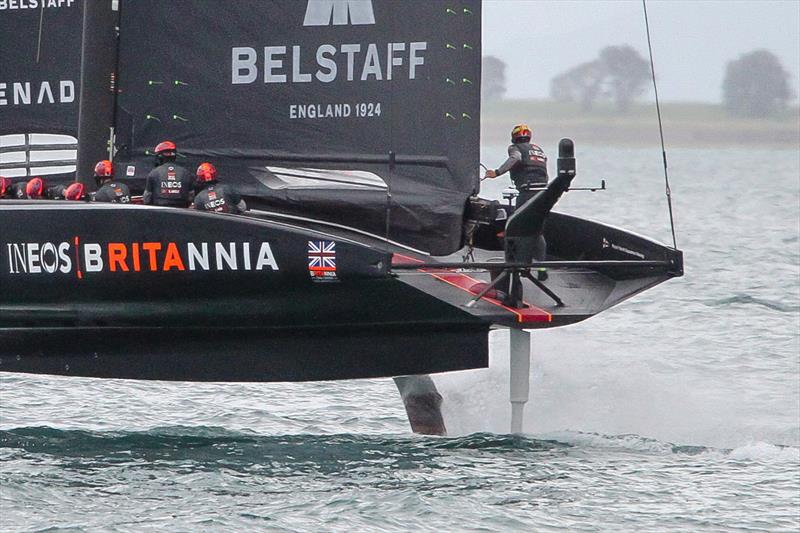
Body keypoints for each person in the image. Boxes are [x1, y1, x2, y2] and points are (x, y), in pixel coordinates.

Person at [483, 124, 548, 207]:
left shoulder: (515, 147)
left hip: (527, 189)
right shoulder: (538, 149)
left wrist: (497, 172)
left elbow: (516, 157)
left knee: (520, 210)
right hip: (543, 188)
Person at [143, 140, 194, 207]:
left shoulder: (153, 173)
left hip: (160, 212)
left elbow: (147, 199)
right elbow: (191, 196)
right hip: (182, 212)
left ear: (160, 157)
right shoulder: (186, 173)